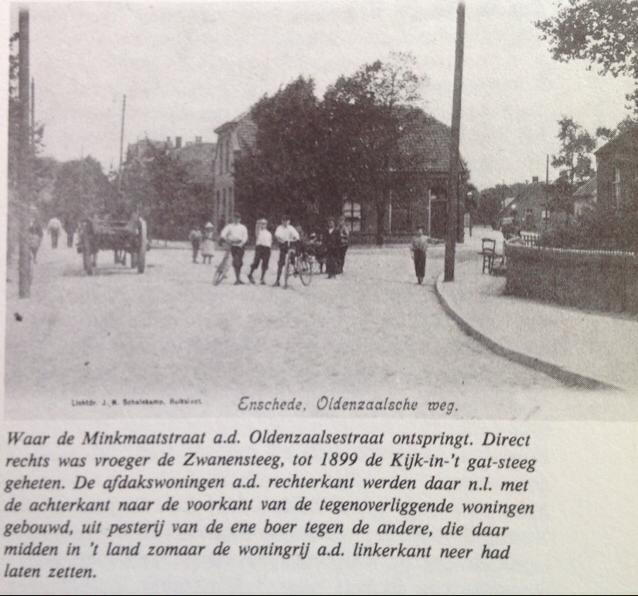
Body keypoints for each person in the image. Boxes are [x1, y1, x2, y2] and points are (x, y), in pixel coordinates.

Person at [220, 212, 248, 285]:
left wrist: (241, 243)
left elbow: (245, 237)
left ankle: (238, 278)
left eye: (238, 218)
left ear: (240, 219)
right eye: (235, 218)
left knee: (239, 263)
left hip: (240, 246)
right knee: (235, 261)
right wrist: (224, 238)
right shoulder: (229, 226)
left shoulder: (243, 227)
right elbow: (223, 233)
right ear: (233, 218)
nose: (236, 219)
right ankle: (237, 279)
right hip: (232, 245)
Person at [273, 214, 300, 287]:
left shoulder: (291, 228)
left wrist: (295, 238)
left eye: (286, 221)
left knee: (292, 255)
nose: (285, 222)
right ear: (282, 221)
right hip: (283, 245)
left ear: (289, 221)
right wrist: (280, 239)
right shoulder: (279, 228)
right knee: (281, 263)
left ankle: (294, 268)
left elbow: (297, 236)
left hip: (291, 244)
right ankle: (277, 281)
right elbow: (277, 235)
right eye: (283, 221)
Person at [248, 218, 272, 285]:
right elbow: (256, 231)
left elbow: (270, 242)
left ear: (266, 225)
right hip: (259, 247)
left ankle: (262, 278)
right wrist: (258, 223)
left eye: (264, 224)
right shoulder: (258, 231)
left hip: (267, 248)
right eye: (262, 224)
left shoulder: (269, 233)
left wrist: (269, 249)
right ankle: (250, 274)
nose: (263, 225)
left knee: (265, 263)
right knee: (256, 261)